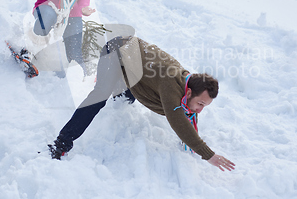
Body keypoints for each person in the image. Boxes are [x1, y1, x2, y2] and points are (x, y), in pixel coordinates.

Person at [49, 36, 236, 172]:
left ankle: (118, 82)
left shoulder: (189, 83)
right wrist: (208, 154)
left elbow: (186, 112)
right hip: (115, 51)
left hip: (135, 63)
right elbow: (178, 119)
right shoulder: (171, 85)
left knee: (127, 98)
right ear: (188, 92)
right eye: (201, 104)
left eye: (205, 106)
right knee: (100, 96)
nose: (200, 110)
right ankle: (62, 142)